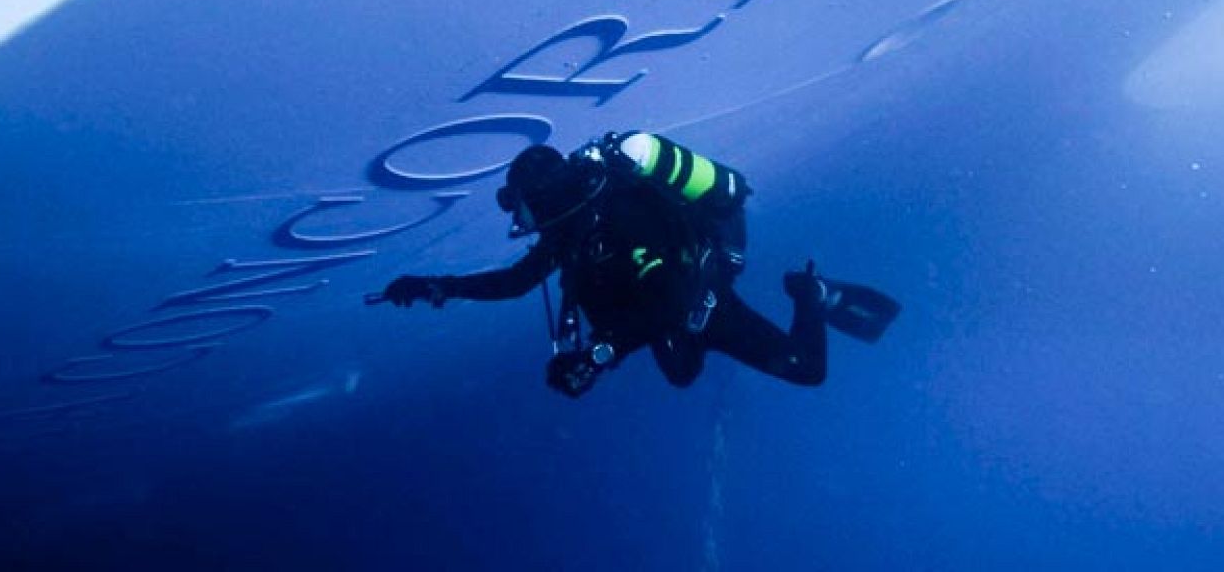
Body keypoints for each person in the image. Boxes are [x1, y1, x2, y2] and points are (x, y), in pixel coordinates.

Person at [371, 132, 899, 398]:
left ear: (546, 197)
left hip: (702, 297)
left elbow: (668, 304)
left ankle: (812, 294)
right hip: (659, 311)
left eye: (521, 203)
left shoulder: (621, 213)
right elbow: (516, 282)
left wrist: (598, 356)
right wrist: (436, 286)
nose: (521, 216)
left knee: (806, 371)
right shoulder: (569, 229)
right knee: (682, 374)